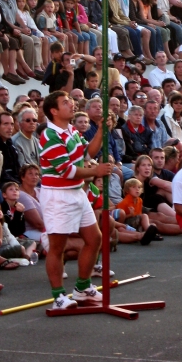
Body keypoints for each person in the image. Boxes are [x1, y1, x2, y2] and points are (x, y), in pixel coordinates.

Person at [39, 90, 113, 310]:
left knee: (94, 238)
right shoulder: (49, 135)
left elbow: (87, 154)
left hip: (76, 192)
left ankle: (81, 288)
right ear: (53, 111)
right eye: (65, 102)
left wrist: (101, 130)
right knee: (57, 247)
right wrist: (96, 172)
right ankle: (58, 296)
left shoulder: (71, 130)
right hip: (57, 196)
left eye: (70, 101)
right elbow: (66, 170)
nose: (71, 104)